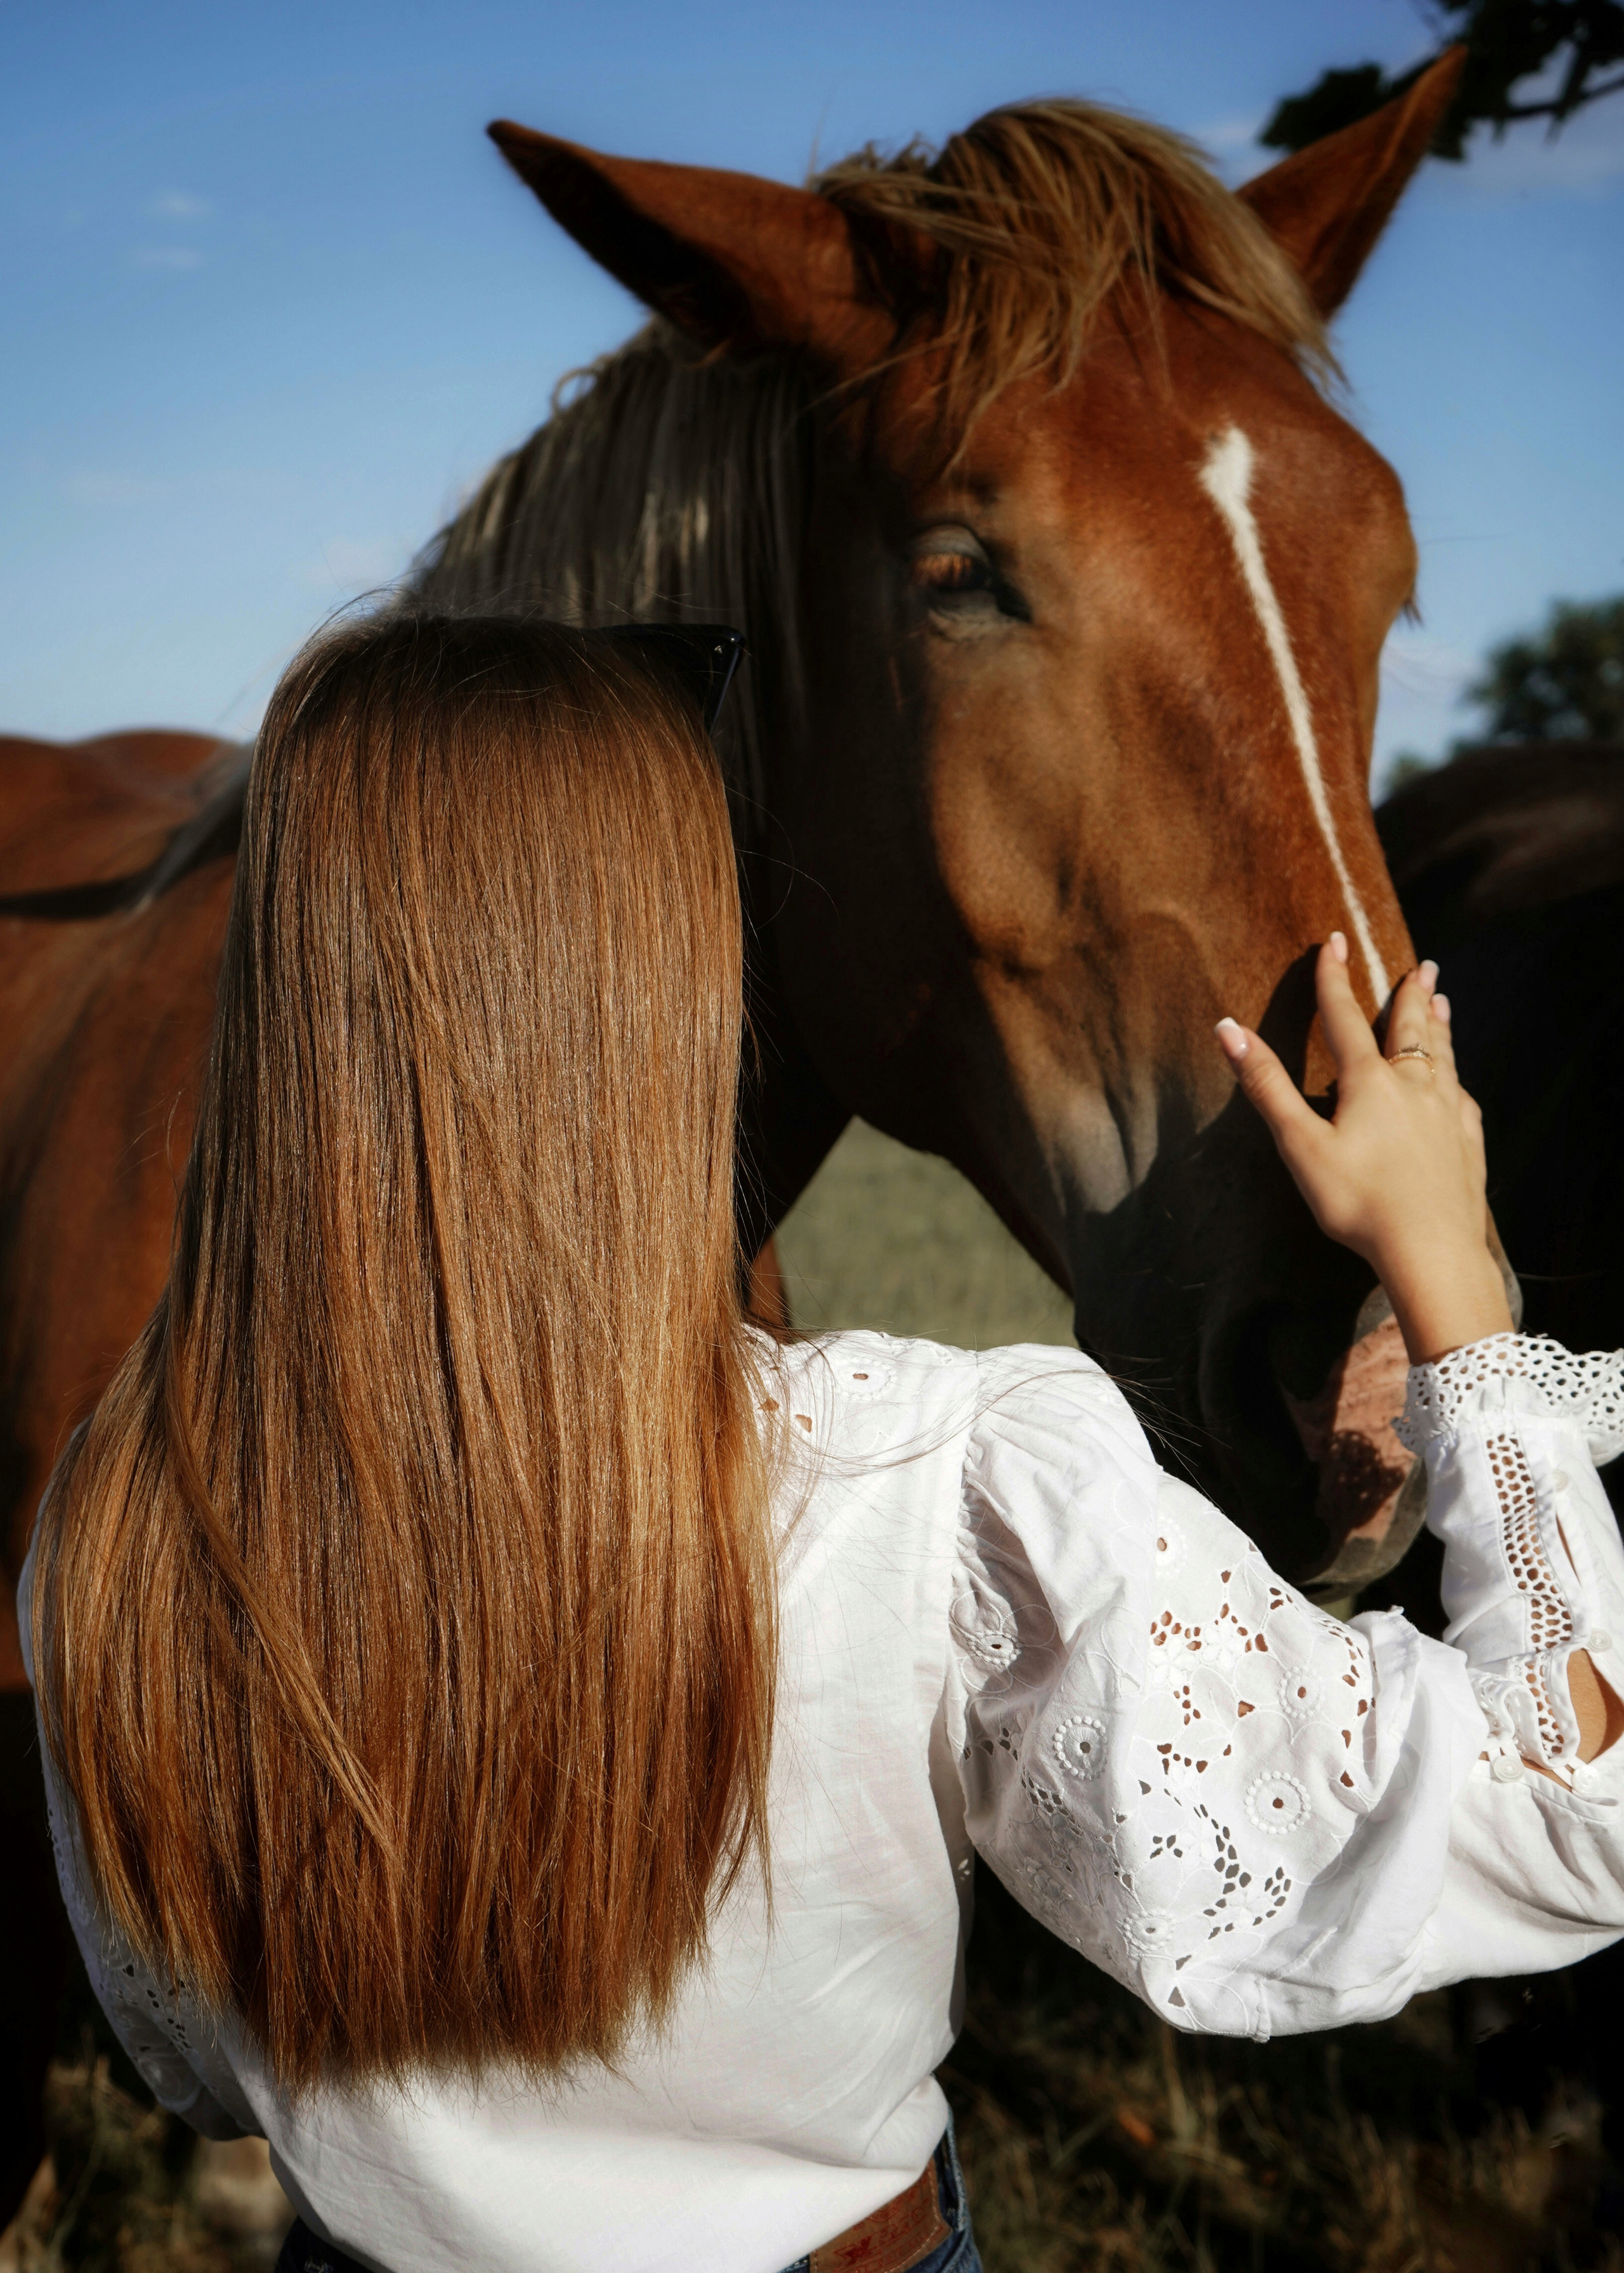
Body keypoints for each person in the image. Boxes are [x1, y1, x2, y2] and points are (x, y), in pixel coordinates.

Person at [22, 612, 1624, 2273]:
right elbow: (1574, 1821)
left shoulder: (125, 1516)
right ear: (671, 986)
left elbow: (187, 2064)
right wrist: (1459, 1290)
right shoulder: (931, 1486)